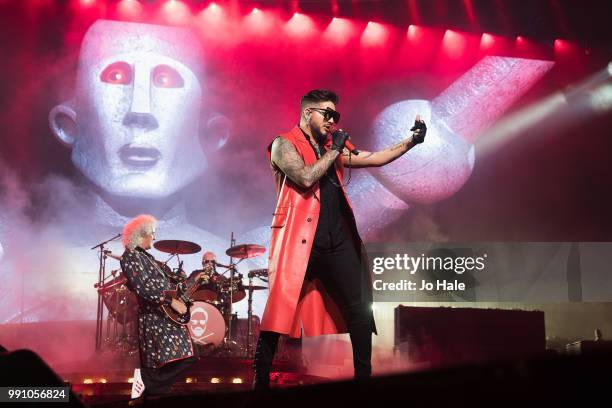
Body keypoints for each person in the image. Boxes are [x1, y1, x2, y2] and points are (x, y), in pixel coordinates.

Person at [252, 89, 427, 387]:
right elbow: (305, 178)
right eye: (328, 113)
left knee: (360, 306)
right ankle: (261, 378)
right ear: (309, 113)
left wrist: (412, 141)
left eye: (336, 115)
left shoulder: (332, 146)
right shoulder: (283, 144)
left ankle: (363, 379)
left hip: (338, 239)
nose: (333, 120)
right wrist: (334, 151)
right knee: (279, 313)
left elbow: (376, 158)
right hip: (299, 242)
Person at [120, 214, 196, 397]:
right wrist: (171, 302)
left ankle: (149, 389)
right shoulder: (130, 256)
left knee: (186, 357)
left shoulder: (147, 257)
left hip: (163, 316)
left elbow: (166, 286)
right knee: (159, 364)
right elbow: (143, 288)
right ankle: (149, 389)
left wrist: (188, 286)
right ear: (141, 234)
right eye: (152, 233)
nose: (154, 237)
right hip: (154, 317)